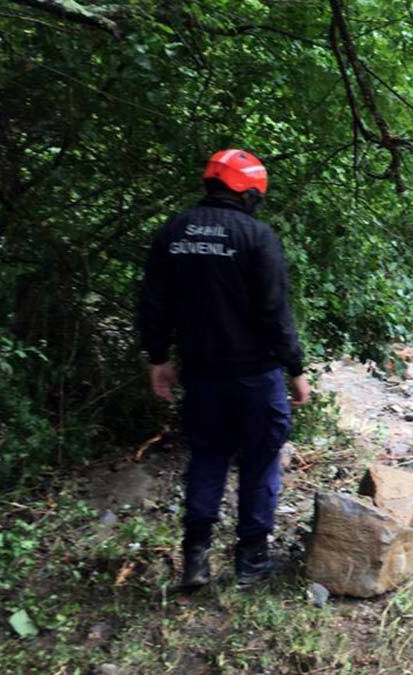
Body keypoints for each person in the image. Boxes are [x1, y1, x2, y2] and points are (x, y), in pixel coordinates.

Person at [139, 149, 311, 588]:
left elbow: (154, 303)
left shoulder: (173, 232)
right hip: (256, 374)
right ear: (248, 191)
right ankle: (250, 559)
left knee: (208, 456)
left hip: (200, 373)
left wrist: (158, 359)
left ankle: (195, 558)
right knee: (260, 458)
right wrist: (296, 368)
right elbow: (275, 310)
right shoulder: (256, 236)